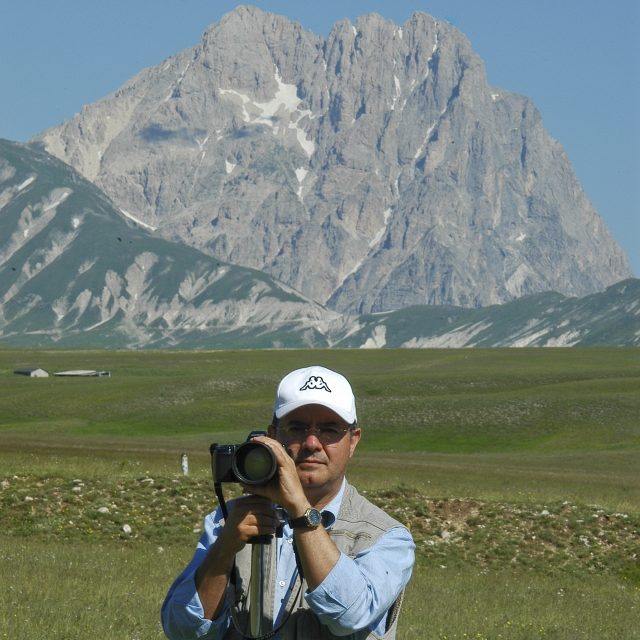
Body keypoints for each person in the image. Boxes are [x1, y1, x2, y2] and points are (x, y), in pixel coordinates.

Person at [161, 365, 415, 639]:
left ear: (353, 441)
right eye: (297, 428)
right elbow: (182, 629)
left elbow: (349, 615)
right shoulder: (229, 521)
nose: (312, 442)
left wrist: (300, 511)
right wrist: (225, 548)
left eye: (330, 429)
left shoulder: (385, 537)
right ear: (272, 436)